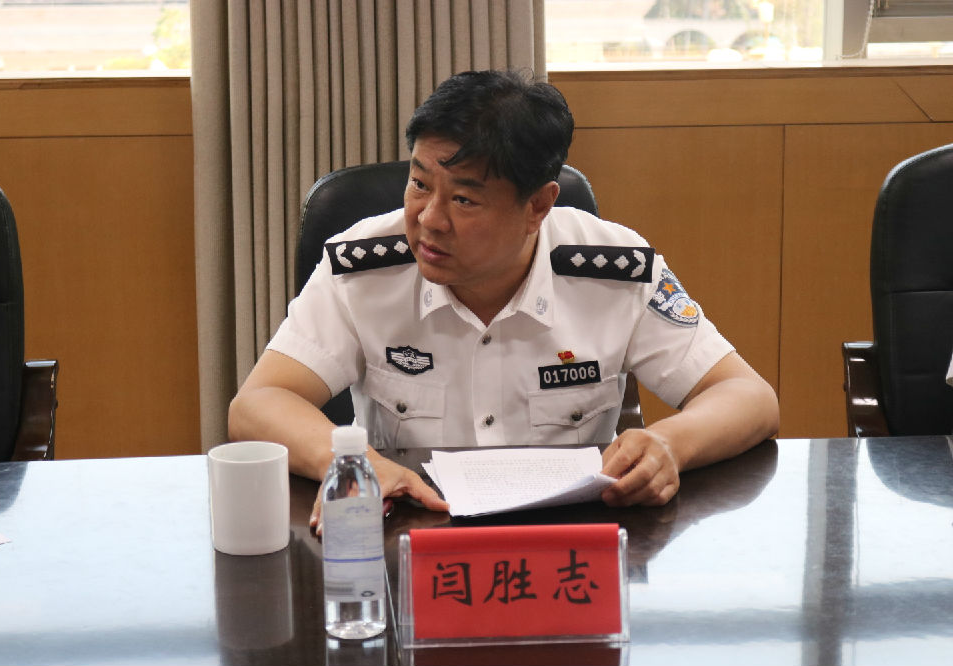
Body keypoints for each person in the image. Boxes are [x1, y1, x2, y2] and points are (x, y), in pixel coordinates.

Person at [228, 69, 779, 530]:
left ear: (537, 206)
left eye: (464, 200)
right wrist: (360, 464)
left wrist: (671, 443)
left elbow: (749, 397)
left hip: (568, 553)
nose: (429, 219)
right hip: (417, 542)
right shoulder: (363, 268)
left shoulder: (614, 270)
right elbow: (257, 404)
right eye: (420, 184)